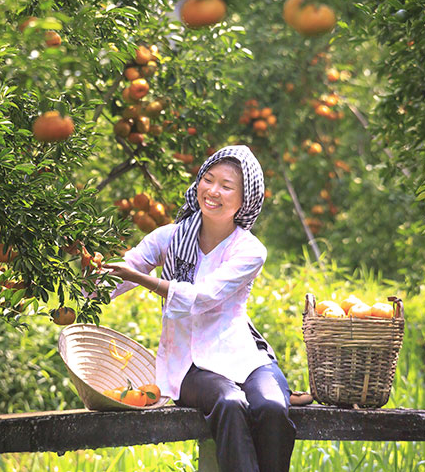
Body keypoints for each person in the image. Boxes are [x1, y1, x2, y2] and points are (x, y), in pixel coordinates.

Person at [102, 145, 300, 472]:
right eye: (208, 180)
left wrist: (141, 279)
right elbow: (125, 270)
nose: (213, 191)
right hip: (190, 363)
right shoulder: (170, 237)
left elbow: (204, 296)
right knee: (230, 402)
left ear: (244, 200)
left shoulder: (250, 251)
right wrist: (76, 293)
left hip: (244, 356)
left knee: (272, 406)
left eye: (226, 186)